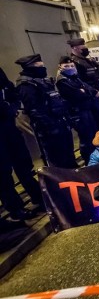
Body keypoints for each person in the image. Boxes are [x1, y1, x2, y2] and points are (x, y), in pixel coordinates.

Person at [15, 54, 77, 168]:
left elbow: (56, 100)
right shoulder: (25, 85)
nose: (43, 69)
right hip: (49, 129)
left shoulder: (44, 80)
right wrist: (51, 127)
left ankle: (75, 177)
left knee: (69, 154)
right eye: (40, 66)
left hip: (61, 122)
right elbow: (34, 110)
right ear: (30, 67)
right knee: (58, 160)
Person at [0, 66, 43, 225]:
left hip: (9, 127)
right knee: (3, 173)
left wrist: (11, 108)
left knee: (23, 164)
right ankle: (15, 209)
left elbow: (12, 93)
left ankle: (37, 196)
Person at [56, 56, 99, 165]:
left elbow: (89, 89)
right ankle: (88, 161)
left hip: (86, 110)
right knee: (86, 138)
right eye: (66, 66)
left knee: (93, 135)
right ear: (60, 67)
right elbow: (77, 95)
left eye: (71, 66)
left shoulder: (75, 77)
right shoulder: (62, 81)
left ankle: (95, 158)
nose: (70, 68)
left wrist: (85, 91)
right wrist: (84, 92)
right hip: (77, 113)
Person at [67, 38, 99, 129]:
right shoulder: (75, 62)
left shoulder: (88, 60)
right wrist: (93, 91)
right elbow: (79, 81)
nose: (85, 49)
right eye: (82, 48)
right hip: (91, 97)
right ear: (75, 48)